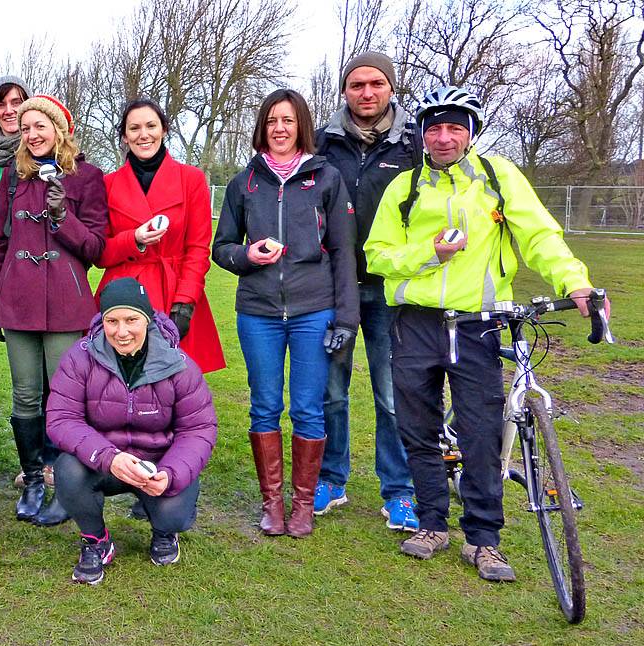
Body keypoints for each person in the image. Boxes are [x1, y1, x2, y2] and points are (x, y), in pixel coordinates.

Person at [365, 86, 607, 583]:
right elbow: (376, 255)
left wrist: (575, 281)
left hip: (476, 324)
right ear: (422, 134)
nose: (444, 137)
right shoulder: (405, 188)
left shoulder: (497, 178)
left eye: (455, 127)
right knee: (418, 429)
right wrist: (429, 254)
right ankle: (432, 524)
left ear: (471, 132)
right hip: (415, 322)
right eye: (435, 128)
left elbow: (539, 235)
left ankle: (483, 538)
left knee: (479, 432)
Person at [212, 88, 359, 539]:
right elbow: (222, 248)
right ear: (263, 126)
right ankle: (272, 504)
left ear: (302, 127)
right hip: (258, 312)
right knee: (265, 406)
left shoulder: (327, 178)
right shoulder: (244, 183)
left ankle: (303, 506)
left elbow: (343, 252)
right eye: (273, 120)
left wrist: (346, 319)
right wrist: (247, 256)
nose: (280, 128)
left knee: (309, 408)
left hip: (314, 310)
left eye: (289, 120)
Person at [0, 95, 109, 526]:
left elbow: (96, 248)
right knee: (25, 394)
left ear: (59, 129)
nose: (33, 135)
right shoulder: (13, 179)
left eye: (42, 126)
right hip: (17, 301)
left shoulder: (87, 177)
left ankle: (66, 485)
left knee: (65, 396)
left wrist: (61, 216)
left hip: (67, 305)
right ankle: (34, 478)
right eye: (27, 127)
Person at [47, 278, 217, 584]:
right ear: (102, 321)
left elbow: (199, 429)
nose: (121, 332)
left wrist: (172, 473)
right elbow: (61, 418)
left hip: (158, 463)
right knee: (67, 471)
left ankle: (164, 531)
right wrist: (108, 456)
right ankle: (97, 540)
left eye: (131, 320)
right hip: (103, 459)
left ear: (147, 320)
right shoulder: (79, 357)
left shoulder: (180, 365)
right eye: (112, 321)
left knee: (174, 515)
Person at [313, 52, 421, 531]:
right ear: (345, 90)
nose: (367, 93)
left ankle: (399, 490)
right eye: (357, 85)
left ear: (391, 88)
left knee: (391, 394)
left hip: (390, 291)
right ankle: (331, 478)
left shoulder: (415, 145)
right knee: (331, 392)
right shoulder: (320, 143)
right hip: (334, 289)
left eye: (376, 83)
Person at [99, 98, 225, 373]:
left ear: (164, 129)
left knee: (174, 387)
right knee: (115, 385)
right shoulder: (107, 184)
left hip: (173, 291)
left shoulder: (190, 179)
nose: (143, 134)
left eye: (151, 125)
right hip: (123, 295)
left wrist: (185, 303)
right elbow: (101, 253)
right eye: (134, 128)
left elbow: (198, 248)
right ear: (124, 136)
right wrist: (133, 239)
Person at [0, 75, 32, 242]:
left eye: (16, 102)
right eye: (1, 105)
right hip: (4, 250)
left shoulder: (42, 146)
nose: (9, 111)